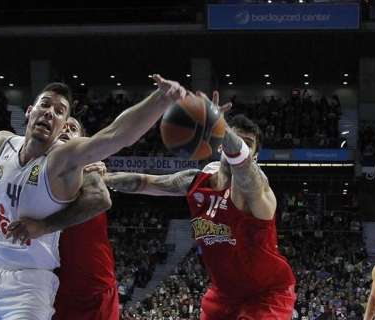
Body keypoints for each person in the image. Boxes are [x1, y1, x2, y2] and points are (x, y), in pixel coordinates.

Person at [0, 75, 185, 320]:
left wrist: (161, 100)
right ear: (30, 111)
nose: (50, 114)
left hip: (28, 282)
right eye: (46, 105)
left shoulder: (63, 160)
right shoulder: (4, 142)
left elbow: (114, 135)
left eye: (60, 112)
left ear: (62, 129)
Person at [100, 92, 296, 319]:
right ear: (220, 146)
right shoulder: (197, 181)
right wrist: (101, 178)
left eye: (247, 144)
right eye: (232, 139)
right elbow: (145, 183)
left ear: (255, 155)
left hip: (266, 294)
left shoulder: (257, 188)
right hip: (223, 294)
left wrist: (221, 126)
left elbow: (241, 166)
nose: (238, 147)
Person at [35, 117, 119, 320]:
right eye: (61, 127)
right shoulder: (34, 171)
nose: (66, 130)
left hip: (95, 291)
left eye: (72, 129)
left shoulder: (89, 169)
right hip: (53, 291)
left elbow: (100, 199)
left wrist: (44, 226)